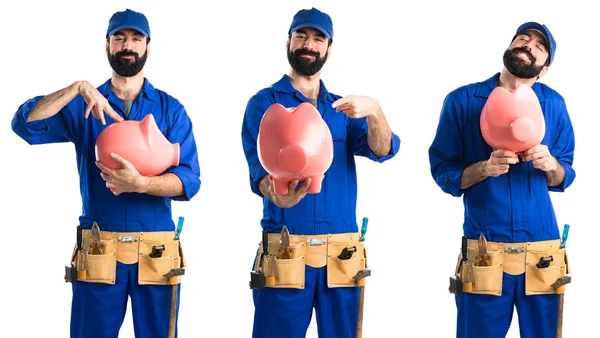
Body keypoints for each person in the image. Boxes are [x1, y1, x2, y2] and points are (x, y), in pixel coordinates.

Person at [11, 8, 200, 338]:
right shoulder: (83, 104)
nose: (128, 45)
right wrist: (77, 88)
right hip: (99, 249)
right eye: (119, 38)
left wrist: (140, 183)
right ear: (108, 46)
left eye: (136, 39)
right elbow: (24, 124)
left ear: (147, 47)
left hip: (155, 251)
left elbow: (190, 180)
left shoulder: (170, 109)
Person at [241, 7, 400, 338]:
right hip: (286, 251)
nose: (308, 45)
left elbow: (383, 150)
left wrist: (375, 111)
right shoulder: (264, 104)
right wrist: (278, 196)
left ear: (328, 48)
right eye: (301, 36)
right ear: (288, 41)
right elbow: (260, 175)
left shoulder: (343, 108)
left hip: (340, 254)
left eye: (317, 39)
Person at [429, 21, 575, 338]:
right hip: (485, 252)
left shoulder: (555, 105)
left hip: (542, 251)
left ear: (544, 69)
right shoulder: (462, 101)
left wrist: (550, 164)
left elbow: (564, 175)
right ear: (509, 48)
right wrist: (485, 168)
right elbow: (442, 170)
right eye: (522, 38)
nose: (527, 44)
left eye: (539, 46)